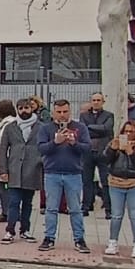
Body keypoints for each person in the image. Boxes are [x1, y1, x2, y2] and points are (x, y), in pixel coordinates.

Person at [39, 98, 91, 252]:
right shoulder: (46, 128)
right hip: (52, 173)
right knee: (51, 208)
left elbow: (87, 148)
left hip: (73, 173)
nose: (62, 115)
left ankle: (79, 239)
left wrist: (74, 143)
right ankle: (49, 238)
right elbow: (41, 149)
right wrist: (55, 142)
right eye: (59, 112)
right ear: (53, 112)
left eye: (65, 112)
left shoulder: (80, 127)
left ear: (70, 111)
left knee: (75, 208)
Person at [0, 97, 44, 242]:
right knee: (13, 202)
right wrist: (3, 170)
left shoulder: (40, 127)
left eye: (26, 108)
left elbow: (45, 148)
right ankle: (10, 230)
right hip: (14, 170)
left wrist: (40, 163)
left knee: (28, 203)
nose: (24, 111)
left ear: (32, 108)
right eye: (21, 108)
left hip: (32, 170)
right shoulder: (11, 127)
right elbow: (3, 149)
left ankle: (25, 230)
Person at [103, 119, 135, 258]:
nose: (129, 134)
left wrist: (131, 153)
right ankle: (113, 242)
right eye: (126, 131)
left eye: (132, 131)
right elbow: (105, 160)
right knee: (116, 215)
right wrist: (112, 149)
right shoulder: (116, 142)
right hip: (116, 182)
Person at [80, 91, 116, 215]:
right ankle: (85, 207)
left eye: (98, 100)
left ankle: (108, 209)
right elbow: (83, 130)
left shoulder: (109, 115)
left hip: (103, 152)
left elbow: (107, 129)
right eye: (94, 100)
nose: (96, 102)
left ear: (103, 102)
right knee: (87, 181)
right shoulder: (84, 115)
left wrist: (90, 127)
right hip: (88, 152)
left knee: (105, 181)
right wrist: (97, 128)